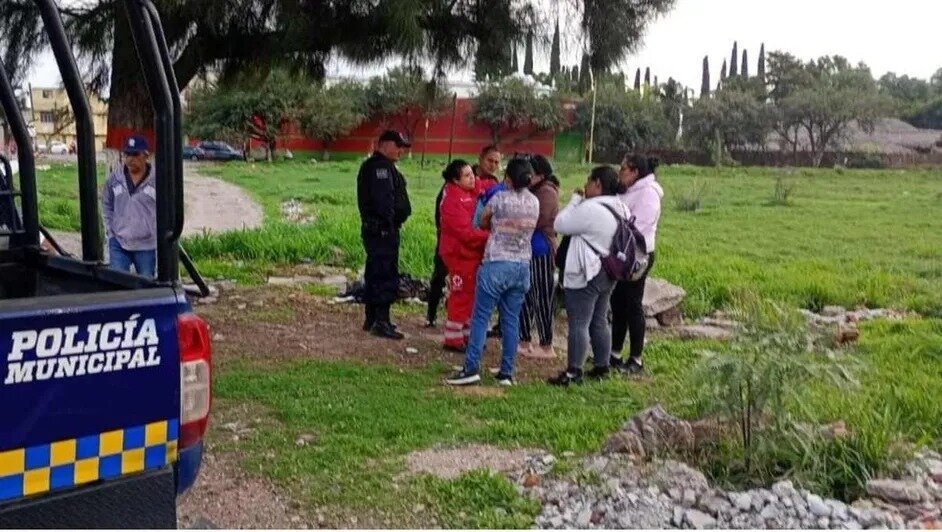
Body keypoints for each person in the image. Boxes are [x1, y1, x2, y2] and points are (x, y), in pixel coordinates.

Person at [446, 158, 539, 386]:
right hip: (522, 266)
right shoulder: (534, 201)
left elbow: (482, 220)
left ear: (508, 178)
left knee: (480, 317)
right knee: (511, 320)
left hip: (496, 263)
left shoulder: (499, 198)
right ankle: (507, 372)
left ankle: (471, 368)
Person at [548, 166, 629, 386]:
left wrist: (575, 200)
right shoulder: (621, 206)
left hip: (587, 272)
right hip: (609, 271)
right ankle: (602, 366)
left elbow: (560, 223)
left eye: (588, 181)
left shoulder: (591, 208)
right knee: (599, 319)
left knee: (579, 322)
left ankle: (574, 371)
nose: (585, 185)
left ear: (597, 184)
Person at [356, 130, 412, 340]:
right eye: (397, 145)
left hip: (379, 229)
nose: (400, 151)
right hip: (382, 230)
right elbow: (384, 202)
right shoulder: (379, 167)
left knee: (375, 272)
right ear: (383, 144)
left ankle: (373, 318)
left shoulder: (380, 166)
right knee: (384, 274)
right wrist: (389, 224)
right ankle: (381, 320)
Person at [610, 154, 663, 375]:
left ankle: (636, 358)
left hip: (638, 255)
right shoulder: (628, 190)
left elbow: (640, 226)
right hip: (621, 252)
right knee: (617, 303)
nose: (620, 172)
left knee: (633, 305)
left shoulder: (649, 193)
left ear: (635, 172)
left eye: (623, 169)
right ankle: (614, 353)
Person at [438, 160, 489, 351]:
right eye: (467, 176)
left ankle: (466, 334)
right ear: (455, 180)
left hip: (469, 254)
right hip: (459, 254)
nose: (472, 179)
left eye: (472, 174)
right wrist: (490, 236)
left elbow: (480, 188)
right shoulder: (452, 201)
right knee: (460, 294)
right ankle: (453, 339)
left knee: (470, 294)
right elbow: (465, 233)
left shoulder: (466, 193)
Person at [518, 154, 560, 359]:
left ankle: (546, 344)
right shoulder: (533, 190)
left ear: (540, 175)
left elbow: (538, 219)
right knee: (525, 295)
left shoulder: (547, 192)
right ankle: (524, 339)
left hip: (541, 250)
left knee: (543, 296)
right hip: (528, 249)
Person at [101, 134, 157, 277]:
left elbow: (167, 210)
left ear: (146, 156)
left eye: (135, 154)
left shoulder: (157, 180)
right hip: (119, 242)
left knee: (146, 285)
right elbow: (106, 204)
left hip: (146, 245)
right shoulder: (115, 178)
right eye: (127, 154)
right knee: (118, 283)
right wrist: (110, 231)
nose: (130, 159)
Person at [425, 183, 448, 328]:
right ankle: (431, 314)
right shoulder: (448, 189)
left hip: (468, 240)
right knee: (439, 276)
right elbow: (438, 214)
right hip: (447, 240)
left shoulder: (489, 182)